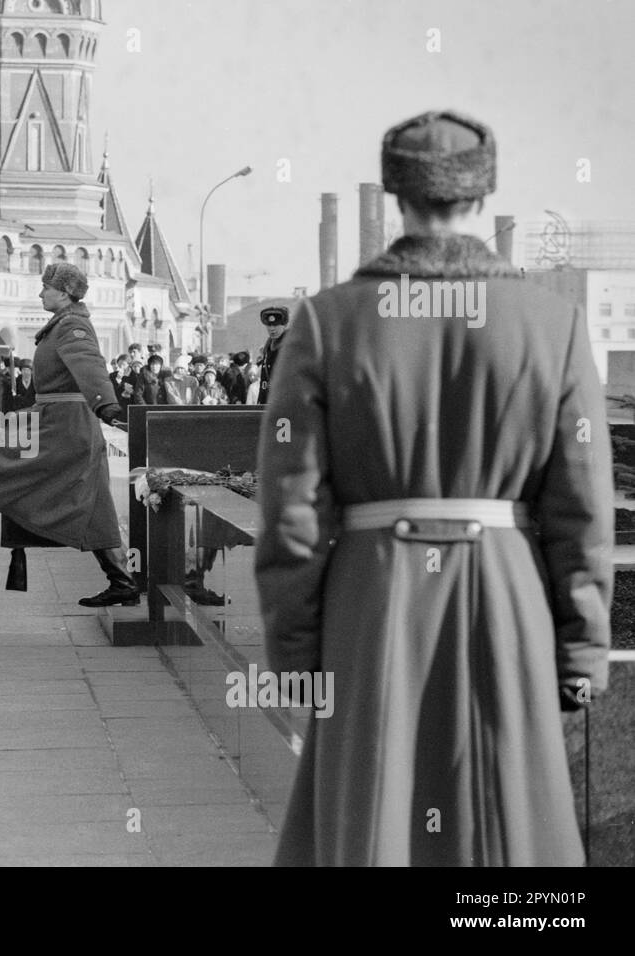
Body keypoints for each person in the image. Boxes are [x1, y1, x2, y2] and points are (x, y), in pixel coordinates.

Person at [255, 110, 612, 866]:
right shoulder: (554, 324)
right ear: (484, 195)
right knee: (509, 822)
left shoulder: (326, 324)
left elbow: (289, 513)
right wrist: (582, 650)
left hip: (373, 599)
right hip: (507, 593)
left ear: (394, 194)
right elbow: (582, 512)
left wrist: (292, 656)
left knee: (371, 810)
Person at [0, 263, 138, 608]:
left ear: (63, 293)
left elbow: (90, 366)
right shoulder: (61, 325)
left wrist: (107, 406)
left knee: (2, 475)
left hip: (66, 429)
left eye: (46, 287)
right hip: (55, 422)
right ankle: (122, 581)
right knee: (93, 507)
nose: (40, 292)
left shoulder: (72, 326)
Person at [256, 306, 288, 405]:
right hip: (267, 404)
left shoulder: (290, 348)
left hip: (283, 406)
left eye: (276, 325)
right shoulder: (268, 348)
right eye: (269, 325)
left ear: (284, 325)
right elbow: (265, 383)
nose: (272, 329)